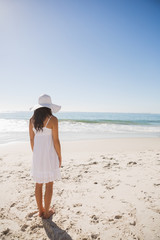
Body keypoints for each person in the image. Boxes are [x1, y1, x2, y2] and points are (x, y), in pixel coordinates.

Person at [29, 94, 62, 219]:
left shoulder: (32, 120)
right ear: (49, 107)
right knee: (49, 184)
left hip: (37, 156)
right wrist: (59, 156)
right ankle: (47, 212)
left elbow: (31, 140)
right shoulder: (53, 119)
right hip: (50, 155)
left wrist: (36, 154)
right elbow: (56, 141)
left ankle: (41, 211)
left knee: (38, 184)